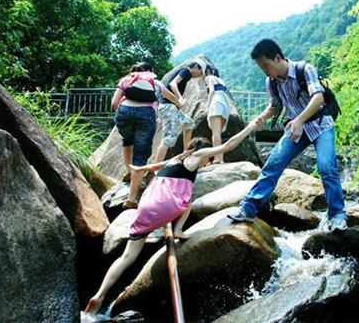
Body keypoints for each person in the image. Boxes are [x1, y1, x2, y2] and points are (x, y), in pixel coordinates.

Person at [84, 118, 262, 314]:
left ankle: (100, 294)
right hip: (166, 206)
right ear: (200, 151)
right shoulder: (196, 155)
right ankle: (177, 229)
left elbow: (153, 167)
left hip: (146, 207)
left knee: (127, 257)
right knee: (187, 202)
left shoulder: (175, 158)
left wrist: (138, 169)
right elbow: (228, 145)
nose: (206, 162)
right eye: (207, 159)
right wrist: (251, 127)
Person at [228, 39, 347, 232]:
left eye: (265, 65)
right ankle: (248, 208)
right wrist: (262, 118)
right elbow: (275, 106)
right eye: (261, 67)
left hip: (320, 125)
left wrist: (299, 120)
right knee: (273, 164)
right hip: (295, 129)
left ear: (278, 58)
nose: (264, 71)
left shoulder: (304, 69)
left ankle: (338, 215)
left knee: (327, 166)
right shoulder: (271, 82)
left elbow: (318, 97)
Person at [111, 62, 182, 209]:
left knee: (127, 140)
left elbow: (114, 103)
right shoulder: (155, 83)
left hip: (124, 113)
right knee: (140, 156)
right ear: (150, 72)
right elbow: (172, 97)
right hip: (146, 116)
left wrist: (123, 114)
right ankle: (131, 198)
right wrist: (180, 104)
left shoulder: (126, 80)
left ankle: (129, 171)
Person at [154, 59, 206, 163]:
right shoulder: (186, 71)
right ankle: (155, 169)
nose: (199, 76)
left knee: (189, 124)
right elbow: (173, 84)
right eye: (200, 72)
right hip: (169, 107)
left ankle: (185, 154)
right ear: (196, 67)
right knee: (168, 139)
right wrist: (179, 98)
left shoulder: (183, 72)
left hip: (169, 107)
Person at [205, 66, 231, 164]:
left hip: (216, 102)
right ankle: (221, 158)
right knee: (218, 133)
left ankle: (217, 158)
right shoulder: (220, 80)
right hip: (225, 103)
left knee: (215, 133)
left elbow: (211, 90)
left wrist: (207, 106)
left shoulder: (209, 78)